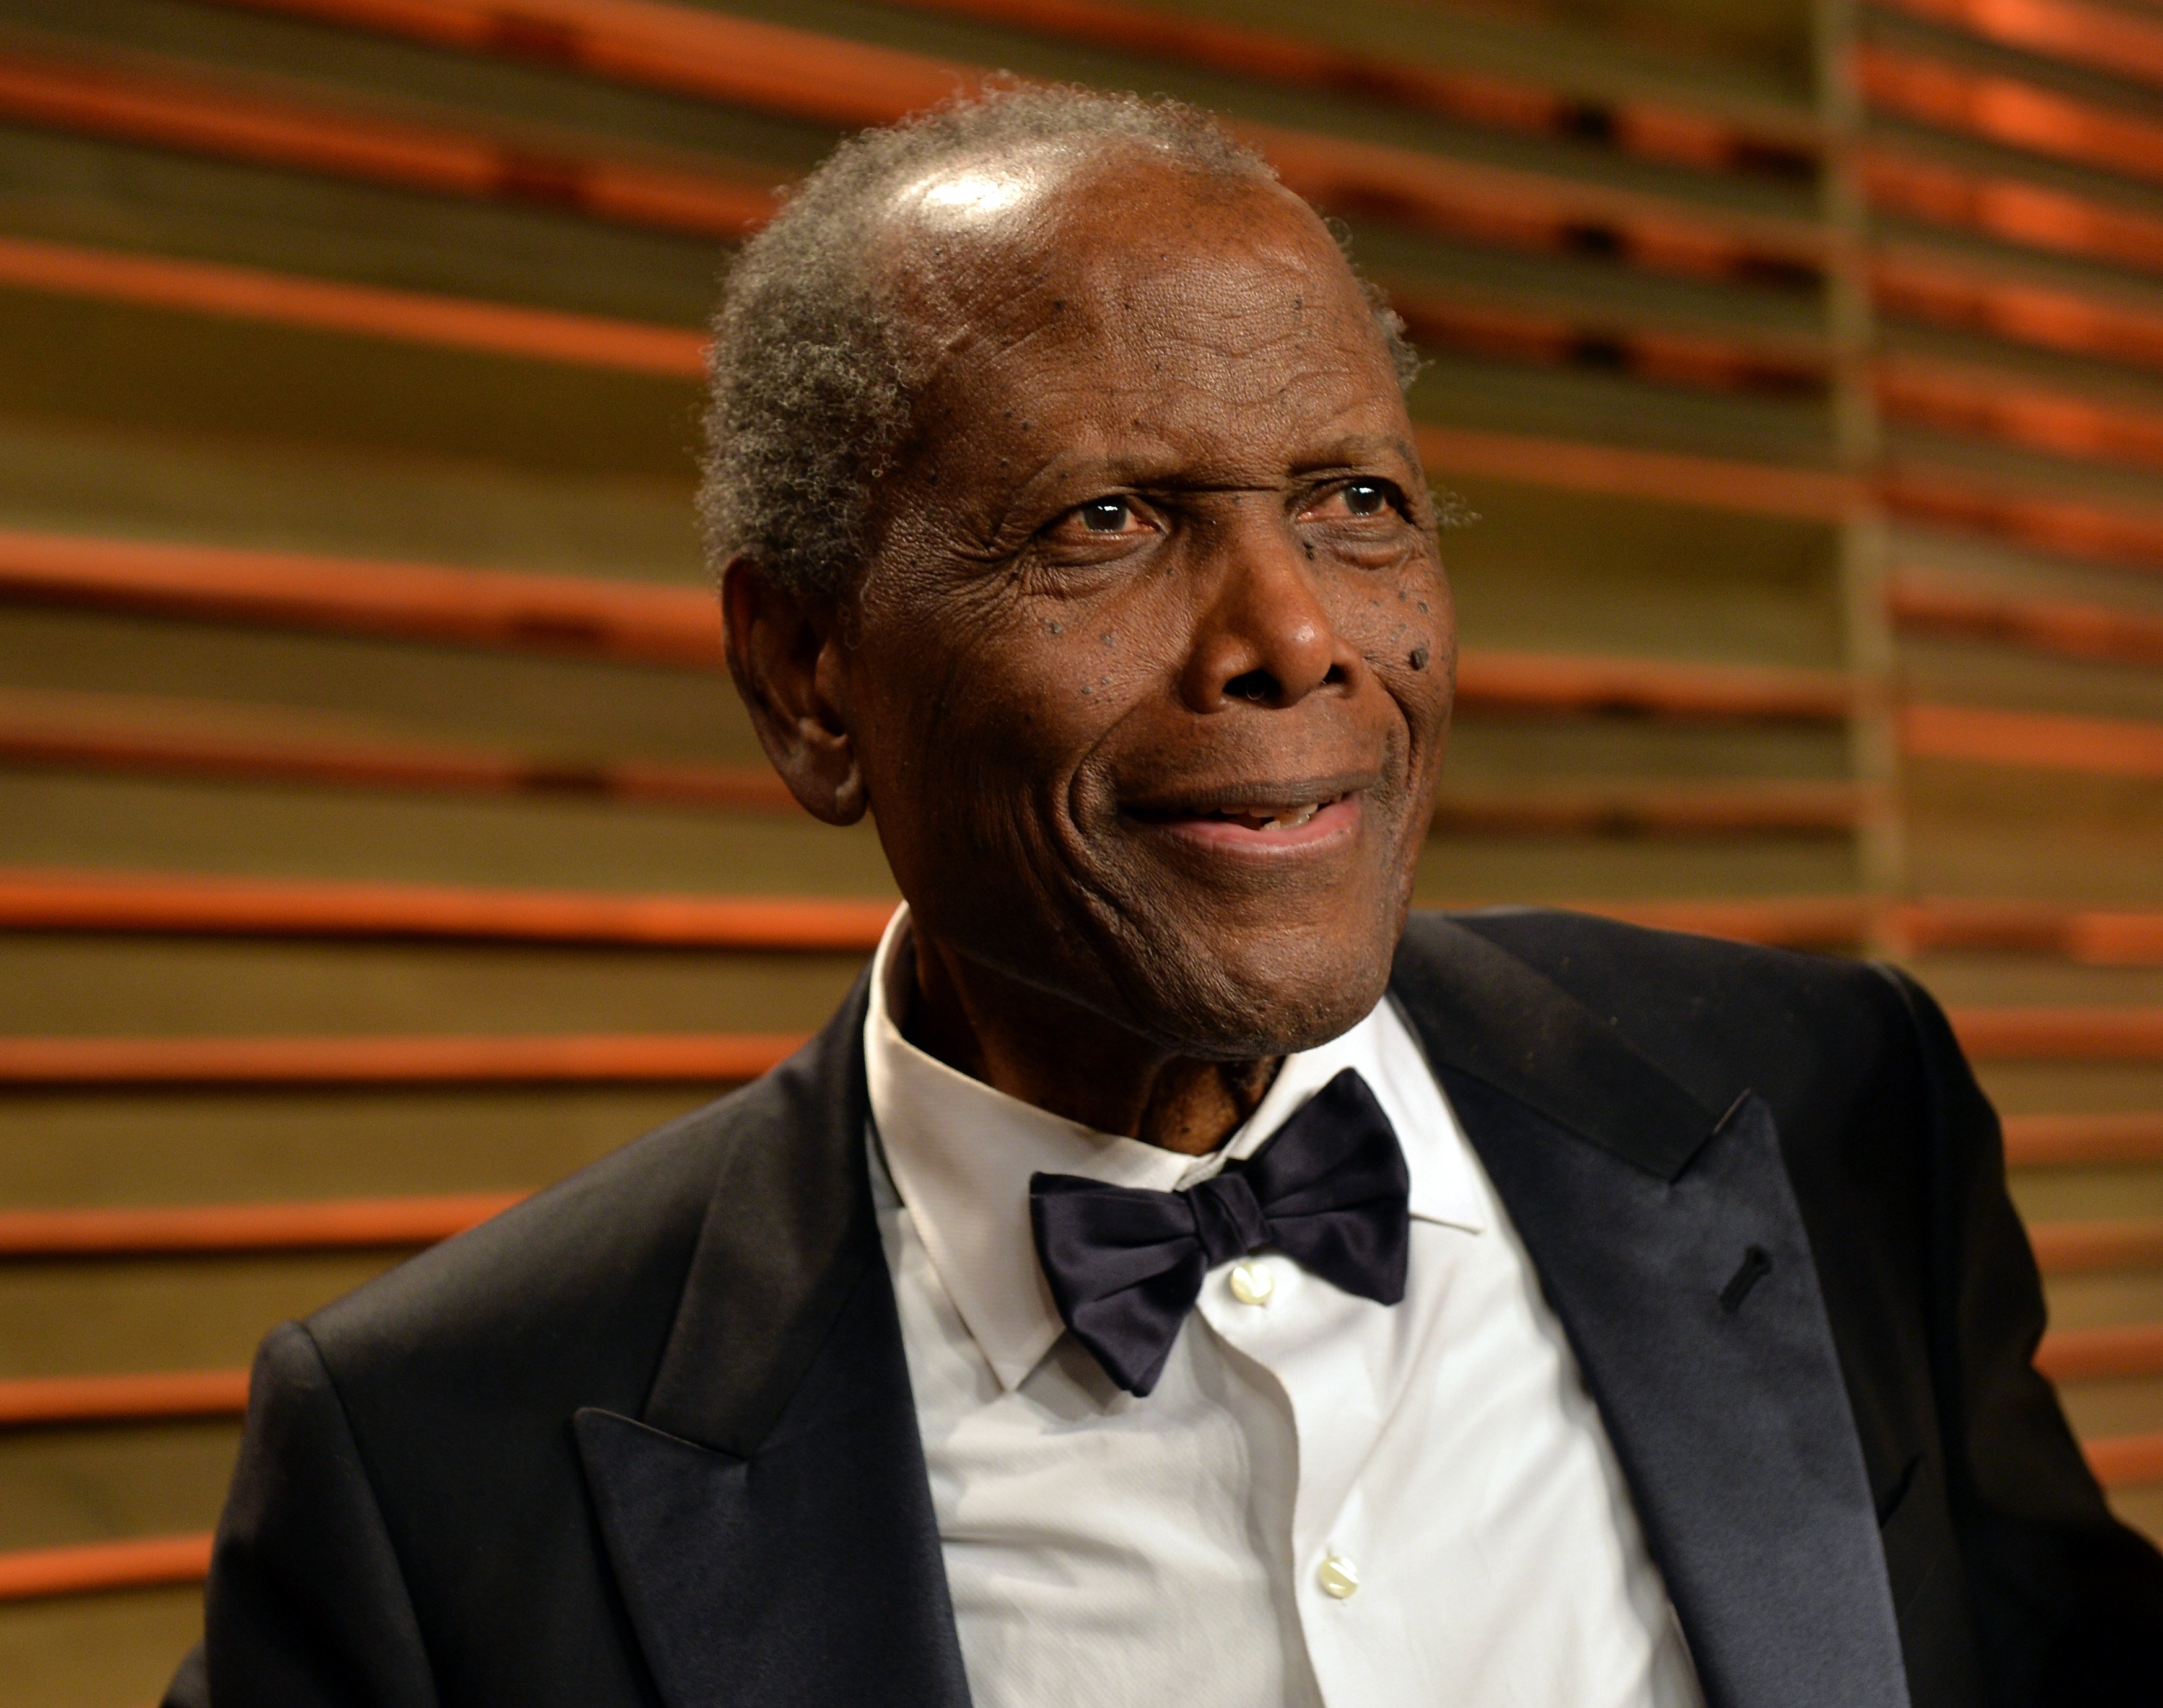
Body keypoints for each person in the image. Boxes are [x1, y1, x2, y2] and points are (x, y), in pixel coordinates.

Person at [163, 87, 2162, 1707]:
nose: (1296, 638)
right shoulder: (444, 1463)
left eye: (1353, 503)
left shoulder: (1830, 1113)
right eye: (1105, 521)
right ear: (805, 682)